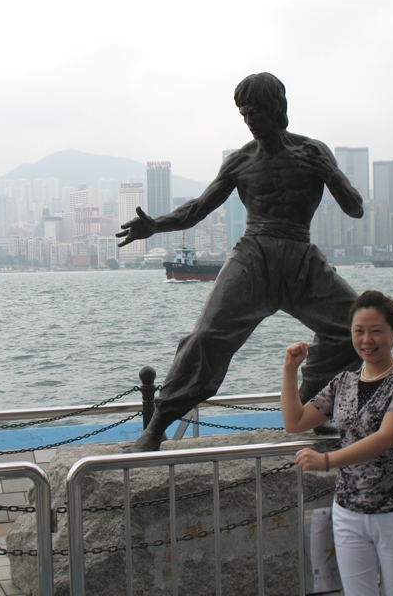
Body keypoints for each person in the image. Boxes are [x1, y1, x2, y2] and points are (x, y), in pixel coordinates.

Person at [118, 72, 364, 452]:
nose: (249, 119)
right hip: (253, 256)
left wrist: (329, 171)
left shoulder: (314, 152)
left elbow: (355, 208)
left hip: (300, 257)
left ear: (278, 109)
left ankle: (313, 409)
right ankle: (156, 427)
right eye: (243, 113)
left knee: (354, 327)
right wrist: (156, 225)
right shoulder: (240, 162)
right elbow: (199, 208)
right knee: (205, 338)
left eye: (256, 111)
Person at [280, 290, 393, 596]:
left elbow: (386, 438)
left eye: (376, 331)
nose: (366, 340)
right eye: (359, 332)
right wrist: (290, 369)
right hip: (348, 511)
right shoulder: (343, 383)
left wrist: (328, 460)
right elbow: (294, 422)